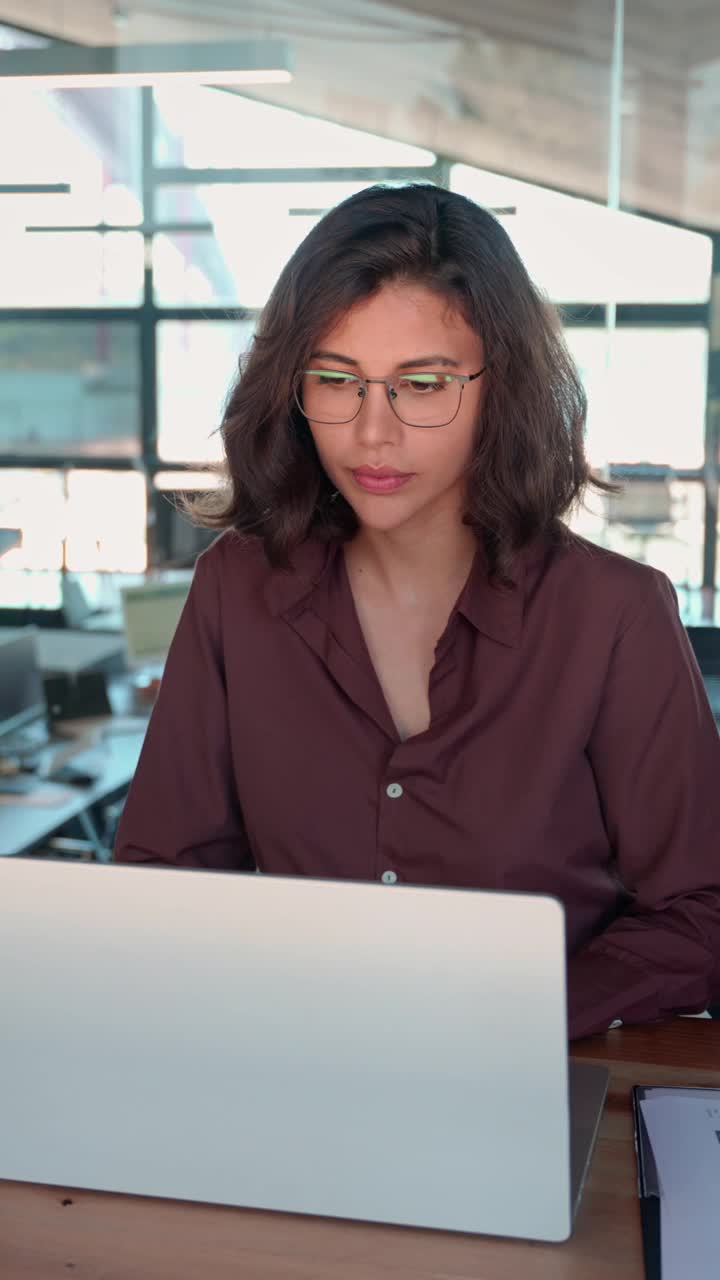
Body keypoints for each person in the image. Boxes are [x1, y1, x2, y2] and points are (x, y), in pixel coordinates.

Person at [114, 182, 720, 1039]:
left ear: (499, 386)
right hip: (292, 1071)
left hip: (540, 1081)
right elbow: (163, 879)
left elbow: (700, 910)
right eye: (336, 380)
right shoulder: (238, 591)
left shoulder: (613, 615)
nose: (372, 433)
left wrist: (512, 1020)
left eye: (423, 384)